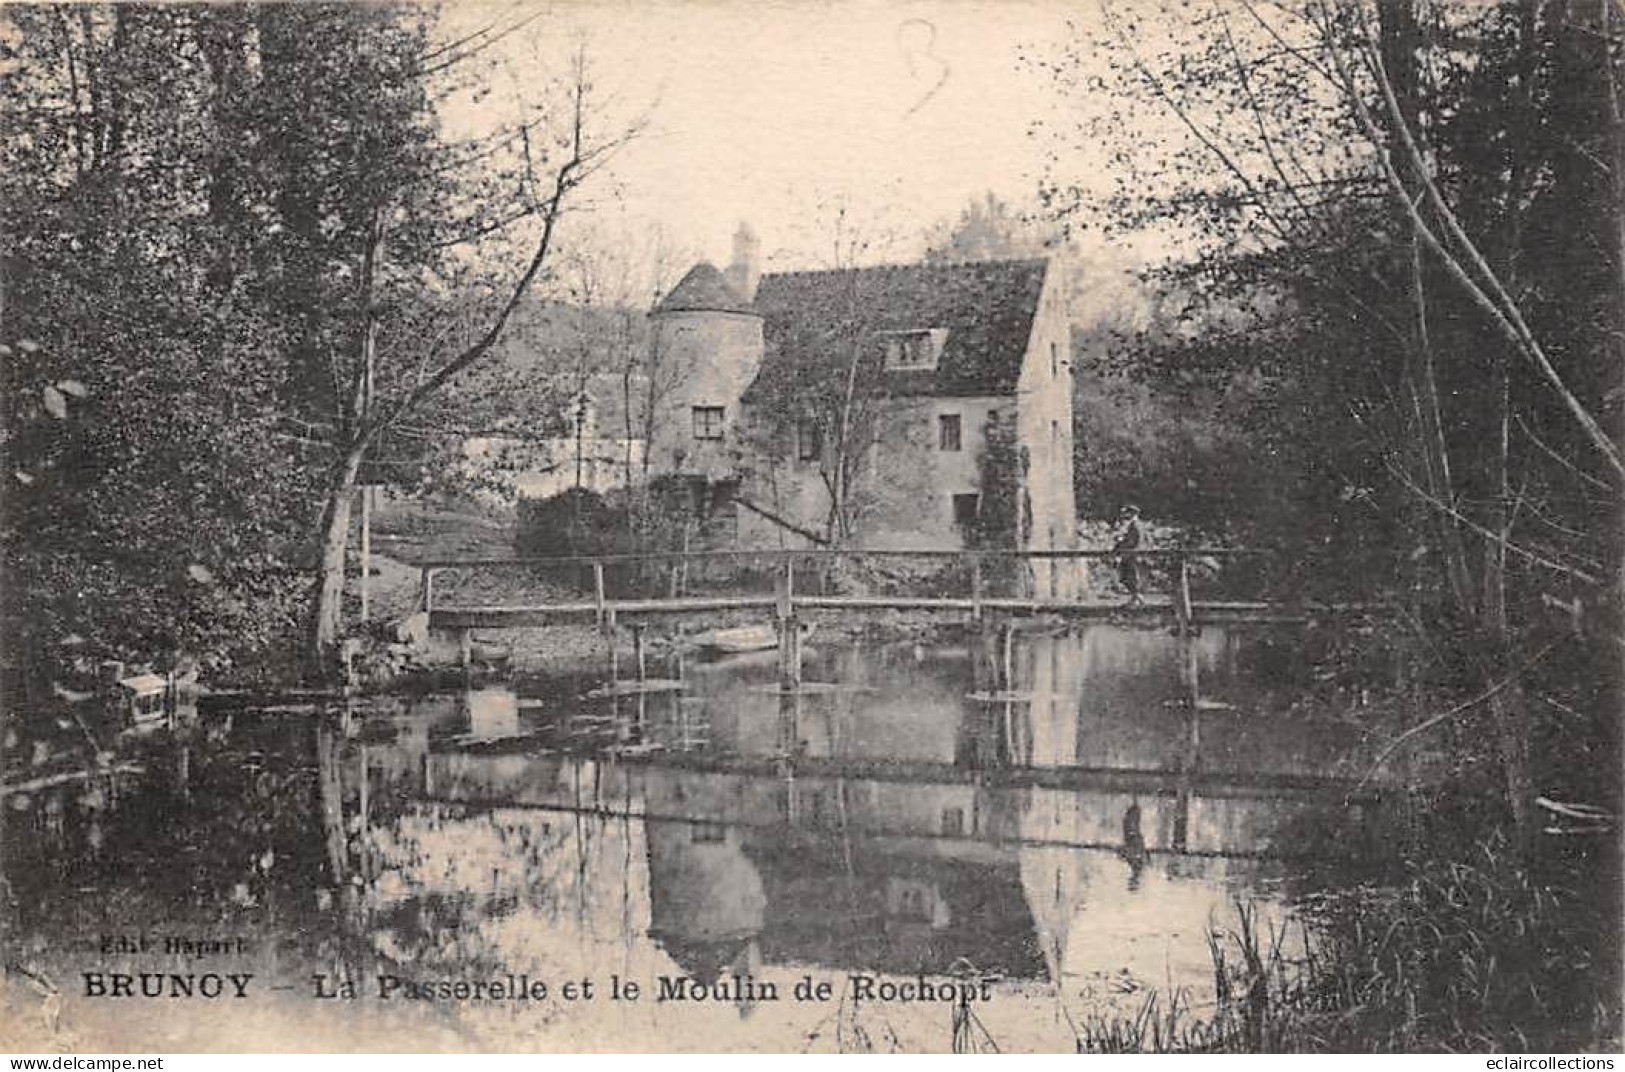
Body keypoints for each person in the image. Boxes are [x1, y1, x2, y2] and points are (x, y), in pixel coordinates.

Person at [1113, 504, 1144, 606]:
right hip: (1130, 554)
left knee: (1131, 576)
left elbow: (1133, 541)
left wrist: (1121, 542)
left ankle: (1137, 598)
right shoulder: (1133, 525)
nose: (1126, 515)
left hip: (1132, 554)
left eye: (1128, 513)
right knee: (1127, 576)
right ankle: (1136, 598)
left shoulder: (1136, 526)